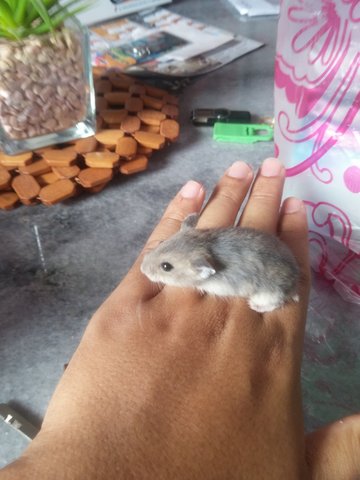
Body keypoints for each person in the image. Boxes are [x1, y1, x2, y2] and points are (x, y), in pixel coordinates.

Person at [1, 157, 359, 479]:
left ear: (202, 271)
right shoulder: (201, 257)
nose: (150, 269)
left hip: (269, 279)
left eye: (165, 264)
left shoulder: (213, 273)